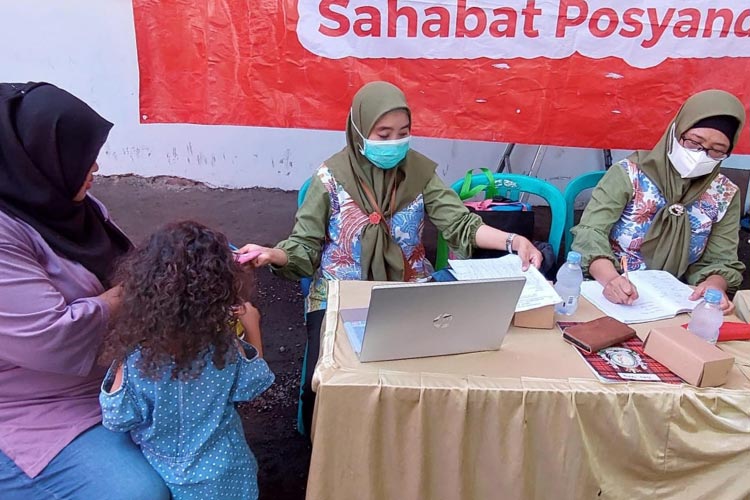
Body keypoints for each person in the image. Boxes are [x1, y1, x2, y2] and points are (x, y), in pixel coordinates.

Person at [237, 81, 543, 434]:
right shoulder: (330, 178)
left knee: (435, 374)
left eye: (403, 133)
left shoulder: (419, 174)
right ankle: (337, 451)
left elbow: (459, 223)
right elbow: (303, 247)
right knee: (331, 382)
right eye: (382, 134)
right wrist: (274, 253)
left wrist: (512, 240)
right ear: (358, 131)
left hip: (409, 287)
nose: (393, 143)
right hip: (339, 294)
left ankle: (408, 446)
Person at [0, 82, 169, 498]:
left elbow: (124, 263)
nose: (94, 166)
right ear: (29, 158)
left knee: (201, 450)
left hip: (107, 375)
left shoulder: (74, 207)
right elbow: (49, 337)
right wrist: (143, 285)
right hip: (33, 406)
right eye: (79, 154)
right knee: (141, 492)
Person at [99, 220, 275, 500]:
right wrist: (252, 325)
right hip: (226, 475)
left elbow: (117, 417)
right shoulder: (225, 349)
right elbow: (254, 384)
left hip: (162, 475)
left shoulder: (134, 358)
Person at [572, 89, 746, 313]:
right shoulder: (629, 174)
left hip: (676, 301)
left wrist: (713, 286)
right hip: (609, 290)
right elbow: (590, 232)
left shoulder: (723, 194)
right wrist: (611, 279)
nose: (701, 155)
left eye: (717, 151)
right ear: (676, 132)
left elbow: (720, 260)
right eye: (694, 142)